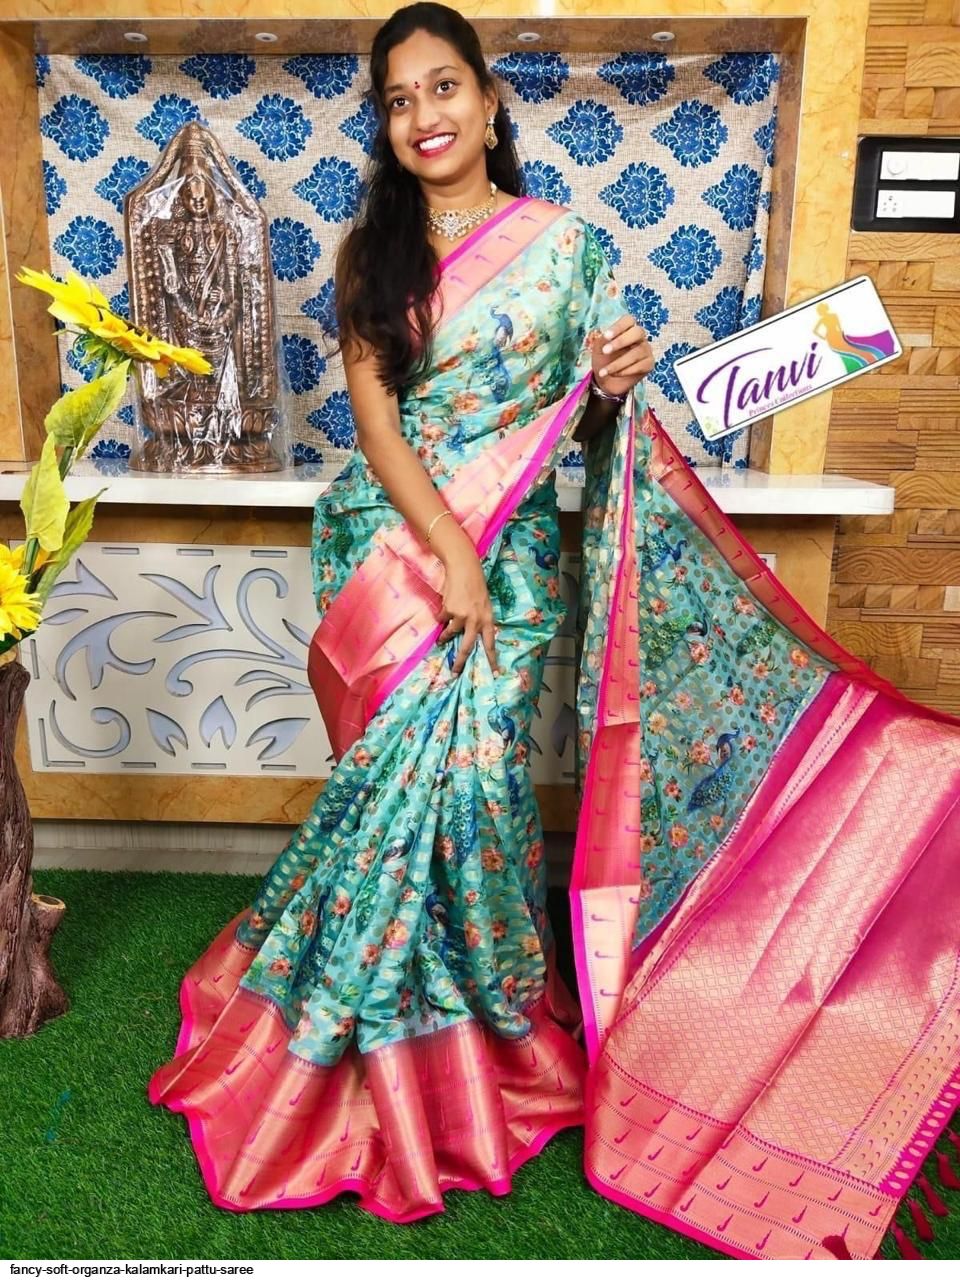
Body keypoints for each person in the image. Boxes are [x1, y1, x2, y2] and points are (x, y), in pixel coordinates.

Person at [148, 3, 960, 1259]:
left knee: (470, 792)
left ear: (488, 100)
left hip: (517, 556)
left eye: (444, 89)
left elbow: (581, 425)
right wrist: (449, 554)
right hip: (404, 549)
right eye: (401, 98)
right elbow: (376, 424)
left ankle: (477, 1047)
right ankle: (354, 1037)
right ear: (389, 122)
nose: (425, 116)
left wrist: (622, 380)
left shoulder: (567, 248)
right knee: (393, 793)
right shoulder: (372, 254)